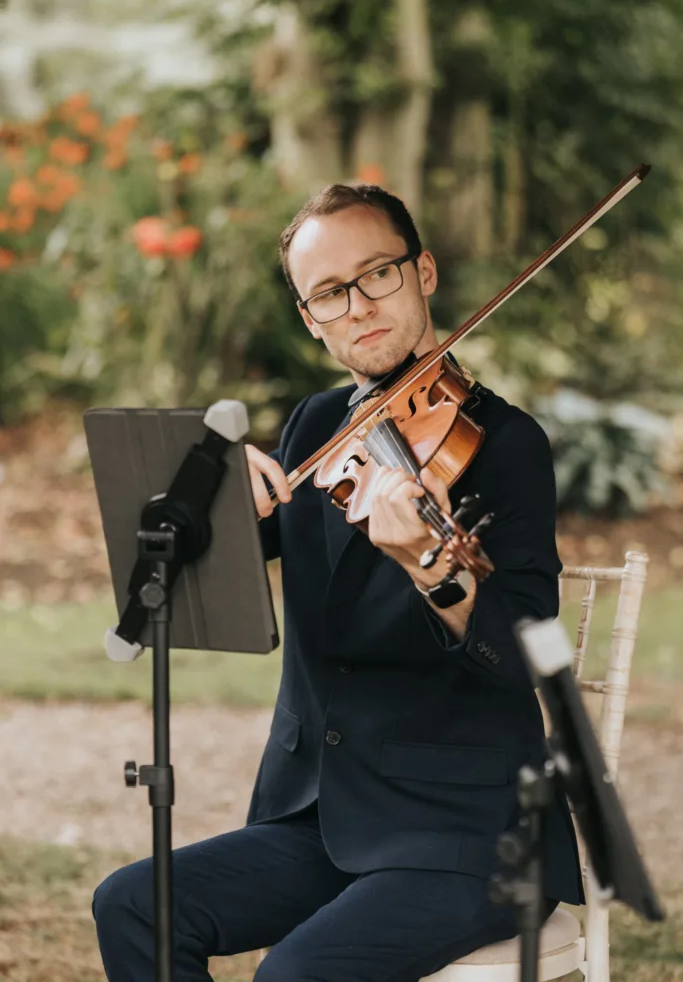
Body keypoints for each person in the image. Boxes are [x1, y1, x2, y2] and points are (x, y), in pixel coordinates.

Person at [93, 184, 583, 982]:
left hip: (464, 838)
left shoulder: (502, 444)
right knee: (132, 903)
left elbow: (526, 654)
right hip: (322, 820)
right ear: (309, 318)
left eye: (377, 274)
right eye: (329, 292)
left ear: (421, 272)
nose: (357, 305)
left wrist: (431, 565)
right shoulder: (318, 428)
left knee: (290, 975)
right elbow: (202, 576)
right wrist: (212, 496)